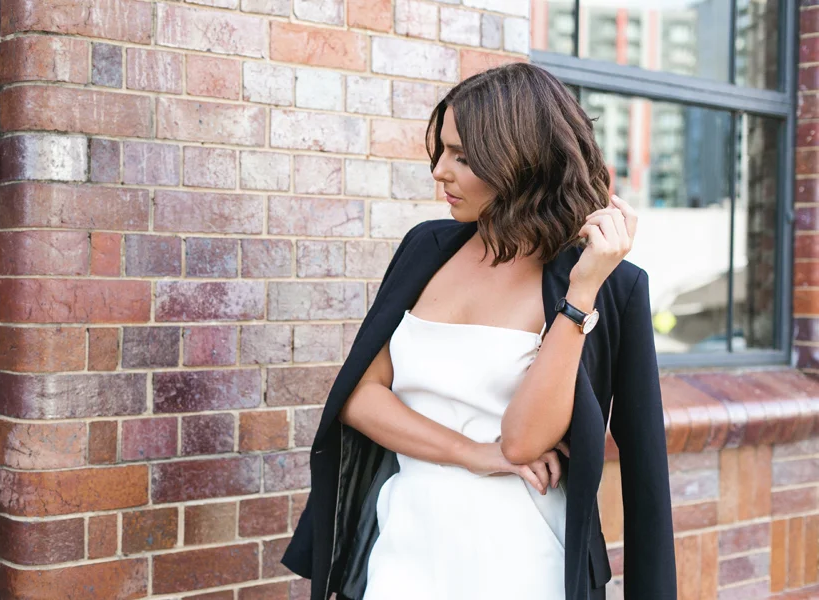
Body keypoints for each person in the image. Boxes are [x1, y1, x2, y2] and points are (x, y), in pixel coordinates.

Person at [281, 63, 676, 600]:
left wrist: (579, 297)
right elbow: (359, 399)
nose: (440, 171)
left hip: (523, 561)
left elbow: (526, 443)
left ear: (521, 159)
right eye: (442, 150)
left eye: (464, 157)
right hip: (402, 550)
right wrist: (471, 452)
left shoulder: (608, 285)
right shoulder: (426, 248)